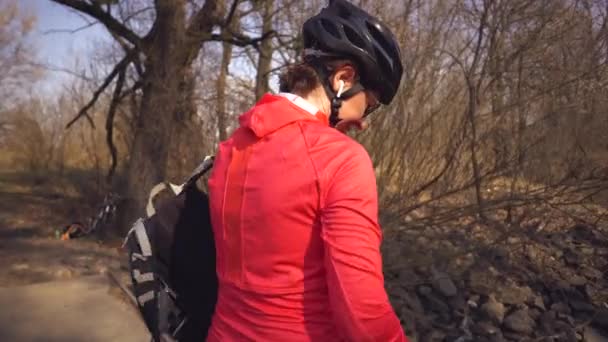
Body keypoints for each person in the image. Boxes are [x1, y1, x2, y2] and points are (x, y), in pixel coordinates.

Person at [206, 0, 407, 340]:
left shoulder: (231, 147)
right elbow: (362, 312)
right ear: (344, 78)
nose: (361, 124)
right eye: (368, 107)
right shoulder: (341, 159)